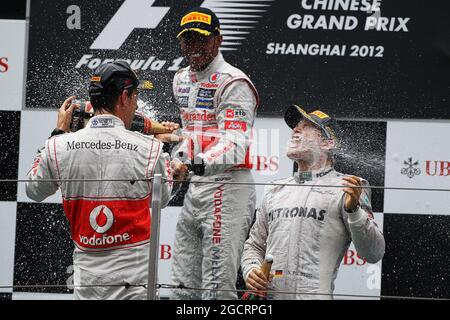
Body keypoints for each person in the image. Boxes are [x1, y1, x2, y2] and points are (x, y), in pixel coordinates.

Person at [25, 61, 174, 300]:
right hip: (135, 284)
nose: (136, 105)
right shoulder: (151, 148)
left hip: (87, 283)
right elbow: (163, 199)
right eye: (135, 96)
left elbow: (33, 190)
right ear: (124, 97)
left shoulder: (58, 145)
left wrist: (57, 133)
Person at [241, 105, 385, 300]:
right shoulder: (275, 188)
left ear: (328, 143)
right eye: (296, 126)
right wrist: (251, 271)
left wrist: (354, 211)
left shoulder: (348, 186)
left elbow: (374, 252)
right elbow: (254, 246)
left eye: (307, 126)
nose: (296, 130)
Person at [169, 7, 259, 299]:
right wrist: (178, 161)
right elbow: (190, 135)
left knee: (217, 287)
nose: (193, 47)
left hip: (229, 187)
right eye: (188, 40)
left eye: (201, 39)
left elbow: (235, 143)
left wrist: (194, 164)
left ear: (218, 40)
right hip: (198, 187)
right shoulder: (181, 79)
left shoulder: (234, 82)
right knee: (183, 285)